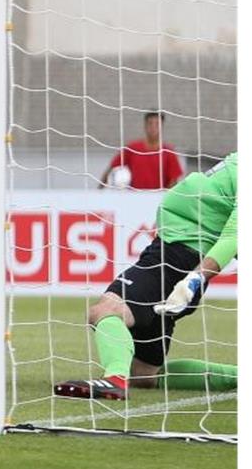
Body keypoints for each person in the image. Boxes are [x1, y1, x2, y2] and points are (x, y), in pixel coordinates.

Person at [54, 152, 237, 400]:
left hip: (178, 257)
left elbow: (233, 236)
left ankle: (114, 379)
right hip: (175, 250)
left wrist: (195, 279)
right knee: (144, 372)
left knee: (106, 311)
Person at [99, 111, 184, 190]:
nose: (153, 127)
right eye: (150, 123)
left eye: (157, 124)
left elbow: (174, 180)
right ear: (145, 126)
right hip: (134, 197)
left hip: (158, 198)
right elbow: (112, 167)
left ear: (162, 126)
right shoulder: (132, 148)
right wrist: (100, 189)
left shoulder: (168, 152)